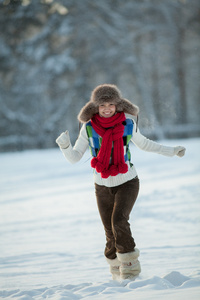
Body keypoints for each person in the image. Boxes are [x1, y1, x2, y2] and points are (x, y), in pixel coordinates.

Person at [56, 84, 186, 281]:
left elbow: (145, 144)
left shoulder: (127, 123)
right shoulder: (89, 128)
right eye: (102, 105)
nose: (107, 108)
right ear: (96, 107)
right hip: (101, 185)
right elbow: (74, 157)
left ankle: (131, 271)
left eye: (111, 104)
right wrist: (65, 145)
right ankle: (117, 272)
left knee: (119, 221)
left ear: (117, 105)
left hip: (127, 181)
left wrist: (172, 150)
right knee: (109, 230)